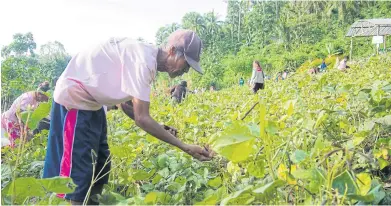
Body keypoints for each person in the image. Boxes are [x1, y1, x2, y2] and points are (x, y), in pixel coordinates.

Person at [42, 29, 212, 205]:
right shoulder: (142, 61)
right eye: (186, 64)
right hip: (75, 100)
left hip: (93, 104)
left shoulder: (146, 59)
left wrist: (160, 126)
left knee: (101, 165)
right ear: (172, 51)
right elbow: (142, 118)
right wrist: (185, 147)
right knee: (81, 173)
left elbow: (126, 105)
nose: (185, 71)